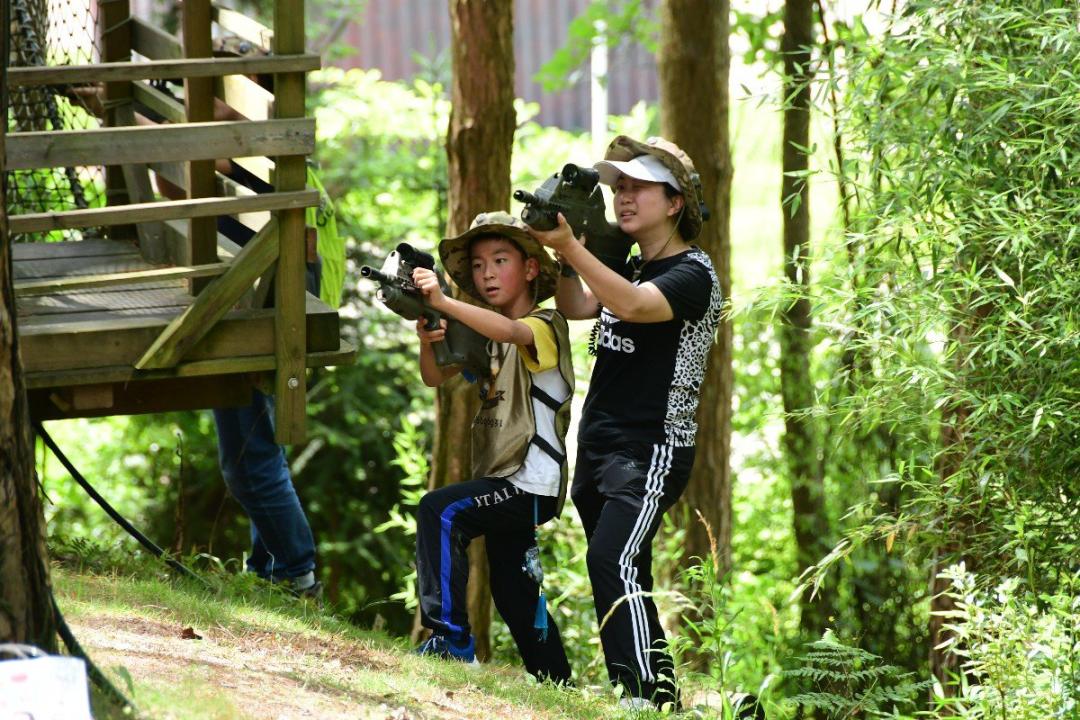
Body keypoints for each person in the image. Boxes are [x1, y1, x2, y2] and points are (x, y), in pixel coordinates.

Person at [527, 136, 724, 710]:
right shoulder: (632, 264)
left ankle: (642, 697)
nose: (623, 196)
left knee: (610, 560)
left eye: (639, 187)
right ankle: (653, 694)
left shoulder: (693, 273)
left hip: (651, 448)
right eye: (620, 187)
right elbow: (576, 306)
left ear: (675, 203)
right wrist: (568, 256)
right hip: (600, 445)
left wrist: (572, 246)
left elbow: (634, 305)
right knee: (623, 570)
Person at [410, 211, 574, 684]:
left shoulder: (546, 324)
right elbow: (434, 376)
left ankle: (451, 642)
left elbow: (514, 332)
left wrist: (445, 301)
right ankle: (558, 684)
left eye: (500, 261)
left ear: (530, 269)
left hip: (528, 480)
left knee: (441, 511)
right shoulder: (486, 337)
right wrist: (428, 336)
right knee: (514, 590)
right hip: (507, 479)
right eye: (479, 265)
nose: (486, 274)